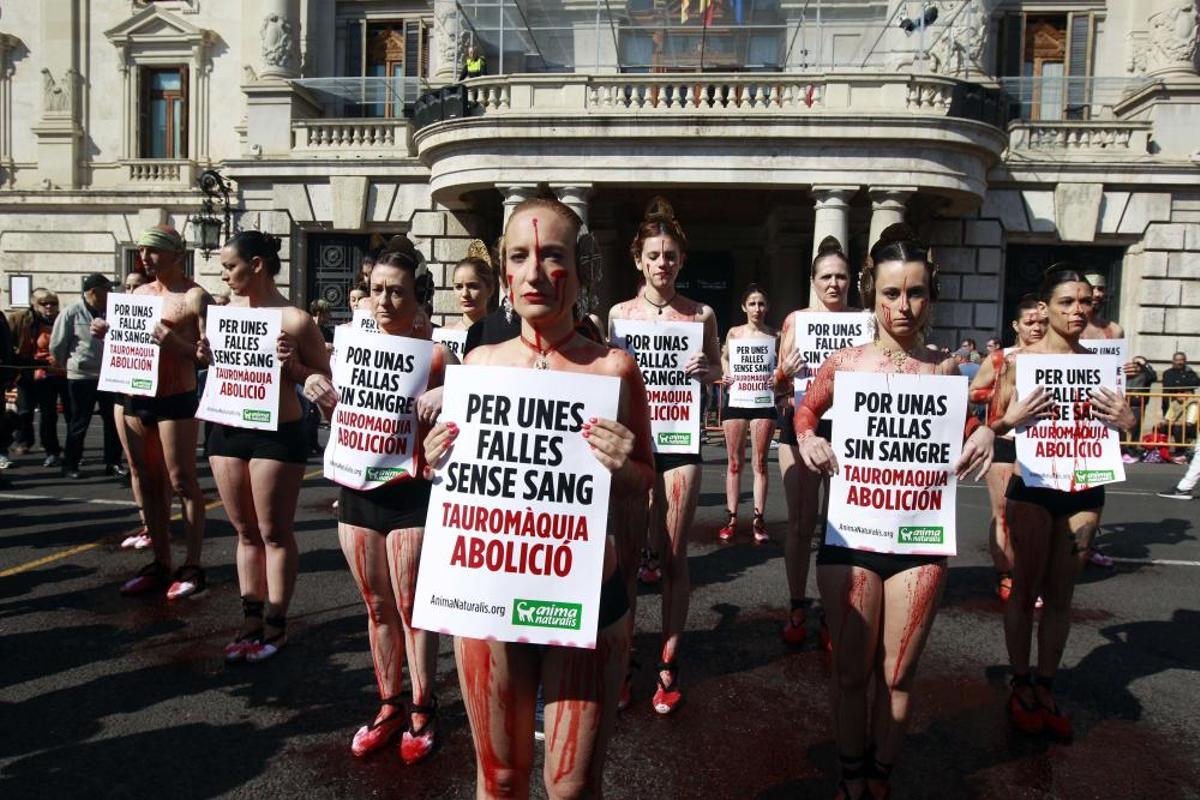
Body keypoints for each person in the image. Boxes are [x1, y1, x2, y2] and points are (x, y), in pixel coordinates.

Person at [425, 195, 654, 796]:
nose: (533, 272)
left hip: (583, 597)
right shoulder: (478, 365)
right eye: (519, 257)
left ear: (579, 273)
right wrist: (433, 459)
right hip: (487, 594)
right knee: (499, 777)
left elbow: (643, 479)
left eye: (551, 255)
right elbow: (454, 480)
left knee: (572, 785)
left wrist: (625, 463)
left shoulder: (613, 372)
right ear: (504, 273)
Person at [796, 224, 993, 799]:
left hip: (918, 538)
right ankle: (850, 776)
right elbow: (805, 411)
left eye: (914, 293)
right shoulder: (845, 363)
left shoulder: (944, 370)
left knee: (898, 674)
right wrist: (808, 437)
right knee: (851, 673)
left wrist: (983, 437)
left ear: (930, 295)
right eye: (890, 294)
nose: (901, 307)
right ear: (870, 291)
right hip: (851, 533)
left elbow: (970, 426)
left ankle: (880, 779)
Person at [323, 236, 456, 763]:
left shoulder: (439, 354)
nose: (385, 302)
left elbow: (477, 409)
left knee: (410, 607)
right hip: (355, 490)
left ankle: (423, 705)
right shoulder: (349, 346)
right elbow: (330, 401)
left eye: (397, 292)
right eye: (376, 290)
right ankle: (388, 702)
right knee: (376, 606)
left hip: (411, 494)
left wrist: (451, 396)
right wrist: (310, 379)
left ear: (418, 298)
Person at [992, 266, 1134, 742]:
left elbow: (1122, 423)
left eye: (1084, 302)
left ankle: (1046, 684)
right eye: (1066, 303)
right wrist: (1012, 413)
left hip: (1086, 484)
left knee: (1061, 593)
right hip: (1033, 483)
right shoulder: (1020, 361)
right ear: (1045, 310)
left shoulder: (1103, 363)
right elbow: (996, 422)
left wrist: (1128, 418)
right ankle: (1020, 681)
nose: (1078, 311)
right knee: (1026, 583)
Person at [607, 197, 721, 714]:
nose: (662, 264)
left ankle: (669, 659)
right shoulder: (619, 315)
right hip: (636, 446)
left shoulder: (702, 313)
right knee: (628, 559)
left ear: (681, 259)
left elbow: (719, 369)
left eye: (670, 255)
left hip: (681, 443)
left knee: (673, 556)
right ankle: (626, 655)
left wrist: (707, 370)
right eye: (653, 255)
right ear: (638, 260)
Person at [197, 232, 332, 662]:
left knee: (274, 532)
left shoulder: (293, 320)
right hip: (226, 427)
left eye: (230, 267)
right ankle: (249, 620)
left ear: (257, 265)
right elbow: (215, 363)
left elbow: (325, 377)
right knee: (244, 532)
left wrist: (292, 362)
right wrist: (204, 353)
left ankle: (277, 624)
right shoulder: (222, 314)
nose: (224, 275)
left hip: (276, 431)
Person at [93, 225, 212, 599]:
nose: (145, 257)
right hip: (134, 392)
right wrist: (105, 333)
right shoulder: (139, 294)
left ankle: (192, 564)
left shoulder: (194, 297)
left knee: (181, 481)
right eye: (142, 250)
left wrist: (173, 340)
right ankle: (160, 562)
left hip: (175, 396)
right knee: (147, 480)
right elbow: (123, 340)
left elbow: (206, 356)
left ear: (176, 254)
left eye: (154, 251)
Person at [775, 235, 860, 647]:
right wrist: (783, 374)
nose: (834, 284)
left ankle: (831, 607)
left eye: (841, 277)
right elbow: (773, 386)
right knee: (800, 520)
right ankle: (796, 602)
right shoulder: (795, 321)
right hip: (800, 425)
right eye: (826, 276)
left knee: (838, 524)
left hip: (849, 427)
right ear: (813, 280)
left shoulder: (865, 322)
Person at [967, 295, 1046, 601]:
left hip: (1041, 444)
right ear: (1016, 325)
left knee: (1033, 515)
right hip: (1005, 439)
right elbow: (974, 393)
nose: (1036, 328)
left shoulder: (1058, 357)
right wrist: (1001, 393)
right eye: (1030, 322)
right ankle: (1005, 575)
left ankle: (1029, 575)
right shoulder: (1000, 358)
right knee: (1003, 512)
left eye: (1042, 322)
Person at [718, 283, 777, 543]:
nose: (757, 308)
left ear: (768, 307)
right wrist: (726, 373)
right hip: (738, 398)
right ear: (744, 307)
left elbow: (782, 365)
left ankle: (758, 520)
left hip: (763, 400)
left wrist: (779, 376)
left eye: (761, 303)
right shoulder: (734, 333)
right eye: (752, 303)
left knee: (760, 463)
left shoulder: (775, 336)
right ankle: (731, 518)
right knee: (734, 462)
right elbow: (723, 357)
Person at [51, 273, 124, 479]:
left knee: (112, 422)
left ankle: (113, 462)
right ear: (93, 292)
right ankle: (71, 465)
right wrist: (71, 364)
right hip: (81, 377)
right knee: (79, 422)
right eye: (107, 289)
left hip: (109, 376)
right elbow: (57, 345)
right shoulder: (71, 312)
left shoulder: (112, 312)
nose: (111, 293)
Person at [11, 289, 69, 466]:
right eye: (45, 303)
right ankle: (25, 441)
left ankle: (60, 449)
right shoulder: (22, 319)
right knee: (27, 410)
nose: (49, 307)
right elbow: (12, 342)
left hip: (60, 373)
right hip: (32, 370)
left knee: (59, 414)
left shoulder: (63, 319)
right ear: (34, 304)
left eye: (53, 303)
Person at [116, 270, 152, 549]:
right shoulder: (122, 314)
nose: (132, 293)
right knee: (135, 466)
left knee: (165, 472)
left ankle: (160, 524)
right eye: (127, 287)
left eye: (137, 286)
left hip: (160, 398)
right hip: (125, 392)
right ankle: (147, 525)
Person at [442, 247, 496, 331]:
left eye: (472, 286)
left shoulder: (501, 336)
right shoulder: (444, 334)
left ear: (490, 289)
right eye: (459, 287)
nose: (465, 294)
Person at [1160, 351, 1199, 460]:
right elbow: (1169, 384)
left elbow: (1196, 382)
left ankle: (1180, 451)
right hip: (1169, 404)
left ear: (1185, 361)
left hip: (1187, 412)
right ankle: (1161, 452)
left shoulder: (1190, 372)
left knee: (1179, 428)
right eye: (1177, 360)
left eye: (1181, 360)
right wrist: (1182, 384)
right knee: (1162, 427)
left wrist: (1180, 382)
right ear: (1173, 361)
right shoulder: (1168, 372)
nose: (1179, 362)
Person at [1123, 355, 1156, 460]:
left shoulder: (1145, 375)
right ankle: (1122, 448)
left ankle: (1132, 448)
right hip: (1125, 403)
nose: (1136, 366)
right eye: (1135, 364)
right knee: (1122, 428)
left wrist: (1144, 365)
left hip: (1138, 404)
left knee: (1136, 428)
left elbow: (1153, 377)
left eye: (1139, 364)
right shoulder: (1127, 372)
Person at [1081, 271, 1123, 339]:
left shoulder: (1115, 331)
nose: (1097, 294)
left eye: (1100, 289)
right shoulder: (1067, 328)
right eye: (1091, 288)